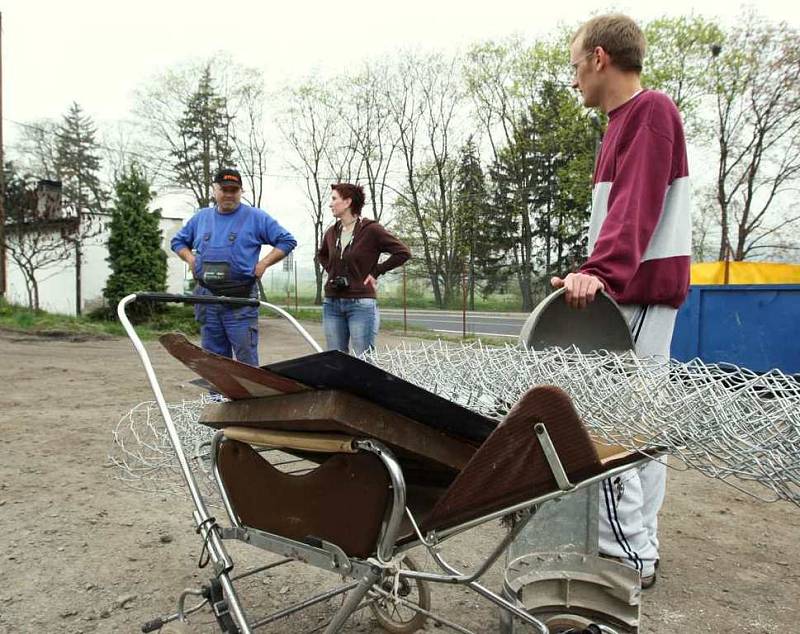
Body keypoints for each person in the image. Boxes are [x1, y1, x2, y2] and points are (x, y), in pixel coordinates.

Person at [552, 14, 692, 588]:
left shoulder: (649, 111)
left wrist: (599, 273)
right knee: (641, 426)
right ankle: (642, 549)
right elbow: (628, 207)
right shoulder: (621, 124)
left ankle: (623, 559)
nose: (575, 77)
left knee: (608, 427)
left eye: (575, 64)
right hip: (639, 294)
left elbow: (638, 204)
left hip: (632, 295)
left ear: (600, 57)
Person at [171, 168, 297, 366]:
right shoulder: (201, 218)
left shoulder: (256, 217)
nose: (229, 194)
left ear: (241, 192)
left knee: (245, 359)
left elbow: (287, 241)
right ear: (215, 190)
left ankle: (250, 396)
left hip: (240, 301)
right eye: (224, 190)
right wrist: (190, 259)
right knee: (212, 360)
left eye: (234, 190)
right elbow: (178, 242)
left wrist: (264, 263)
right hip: (207, 299)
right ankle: (218, 397)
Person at [317, 183, 411, 356]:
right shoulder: (332, 232)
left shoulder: (371, 230)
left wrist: (376, 271)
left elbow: (403, 252)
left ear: (347, 202)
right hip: (332, 303)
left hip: (360, 303)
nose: (330, 204)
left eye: (334, 199)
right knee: (335, 359)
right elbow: (321, 254)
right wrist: (333, 270)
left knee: (363, 359)